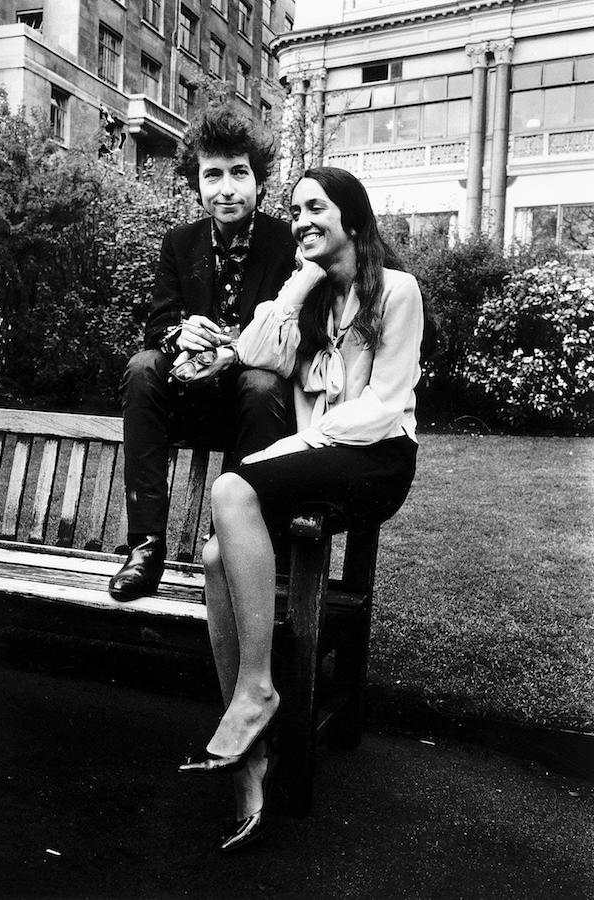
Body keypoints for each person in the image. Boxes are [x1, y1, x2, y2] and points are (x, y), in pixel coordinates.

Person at [179, 166, 424, 852]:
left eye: (316, 208)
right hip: (320, 453)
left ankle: (258, 689)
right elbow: (255, 353)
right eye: (295, 210)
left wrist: (302, 441)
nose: (303, 218)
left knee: (234, 488)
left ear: (352, 215)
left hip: (377, 460)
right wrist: (296, 282)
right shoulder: (312, 299)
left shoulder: (396, 292)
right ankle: (250, 755)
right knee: (215, 552)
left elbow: (382, 405)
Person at [109, 105, 296, 601]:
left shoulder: (286, 243)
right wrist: (179, 334)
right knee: (142, 365)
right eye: (213, 175)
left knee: (261, 384)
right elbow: (158, 323)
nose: (227, 188)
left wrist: (234, 346)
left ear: (259, 179)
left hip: (255, 407)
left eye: (239, 172)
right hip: (188, 400)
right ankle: (145, 549)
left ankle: (231, 548)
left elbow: (299, 330)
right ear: (198, 183)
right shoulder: (180, 242)